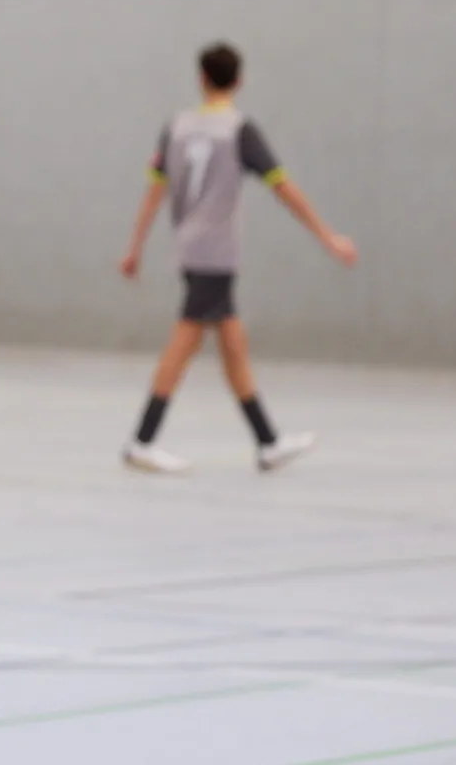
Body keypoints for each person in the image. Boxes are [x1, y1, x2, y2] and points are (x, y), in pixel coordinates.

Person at [120, 42, 358, 474]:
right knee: (184, 342)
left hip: (191, 249)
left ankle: (267, 442)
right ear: (239, 81)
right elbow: (282, 187)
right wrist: (327, 236)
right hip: (215, 253)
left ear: (201, 79)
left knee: (233, 344)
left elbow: (155, 191)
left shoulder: (176, 127)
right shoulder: (239, 130)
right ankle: (142, 440)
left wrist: (135, 247)